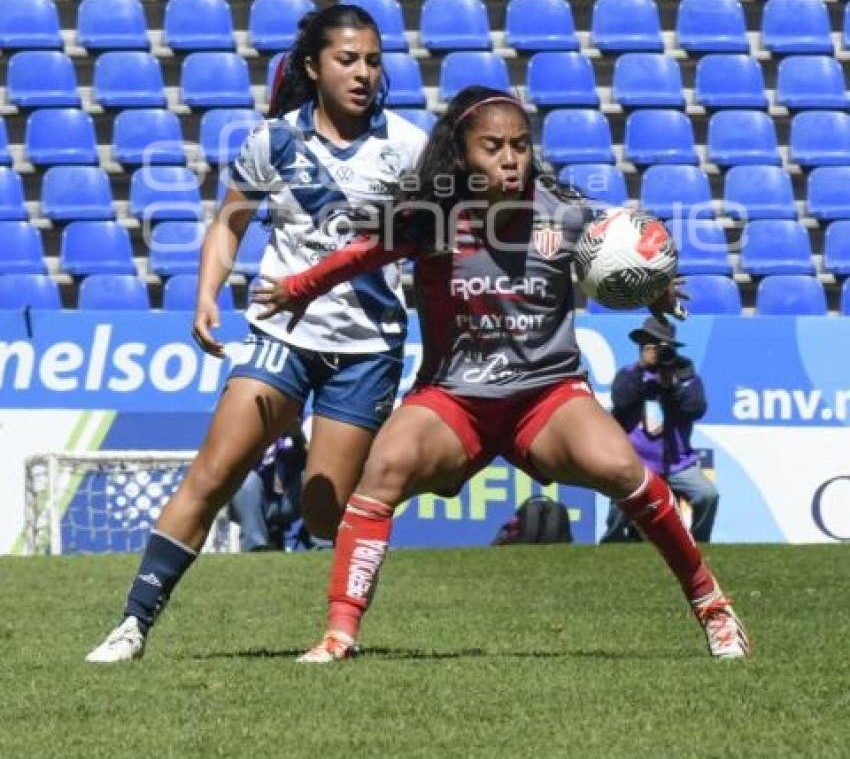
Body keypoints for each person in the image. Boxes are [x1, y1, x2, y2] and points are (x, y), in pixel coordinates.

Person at [260, 85, 750, 663]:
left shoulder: (563, 211)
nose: (510, 158)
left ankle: (715, 609)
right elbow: (362, 255)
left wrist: (653, 286)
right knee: (384, 470)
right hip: (453, 399)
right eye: (493, 146)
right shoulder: (432, 218)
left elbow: (619, 249)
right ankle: (339, 633)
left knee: (624, 469)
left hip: (546, 396)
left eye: (519, 145)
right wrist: (298, 287)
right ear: (462, 153)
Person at [86, 4, 428, 663]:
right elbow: (230, 221)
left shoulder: (410, 148)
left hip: (367, 346)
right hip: (281, 333)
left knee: (325, 513)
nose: (362, 72)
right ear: (312, 65)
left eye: (372, 60)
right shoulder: (271, 141)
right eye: (346, 59)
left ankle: (310, 461)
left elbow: (437, 246)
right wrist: (206, 293)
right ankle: (131, 623)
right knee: (213, 474)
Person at [600, 316, 719, 545]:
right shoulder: (629, 374)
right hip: (636, 462)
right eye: (650, 345)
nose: (657, 352)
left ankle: (699, 544)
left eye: (663, 346)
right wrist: (643, 371)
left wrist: (671, 386)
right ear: (641, 347)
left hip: (678, 463)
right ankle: (613, 542)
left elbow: (695, 409)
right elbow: (621, 401)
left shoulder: (686, 377)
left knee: (707, 495)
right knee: (620, 497)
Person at [229, 426, 310, 552]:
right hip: (257, 500)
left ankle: (322, 544)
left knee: (314, 474)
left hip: (294, 498)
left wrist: (298, 438)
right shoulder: (250, 423)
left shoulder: (310, 422)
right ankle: (255, 546)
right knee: (246, 478)